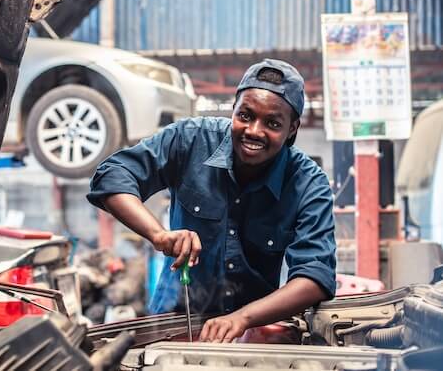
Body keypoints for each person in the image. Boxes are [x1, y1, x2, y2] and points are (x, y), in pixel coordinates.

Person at [87, 58, 336, 343]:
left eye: (272, 123)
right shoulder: (189, 140)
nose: (254, 131)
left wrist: (242, 318)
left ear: (292, 129)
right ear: (233, 110)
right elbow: (111, 175)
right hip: (176, 324)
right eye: (245, 115)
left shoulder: (308, 183)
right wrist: (158, 235)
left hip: (253, 331)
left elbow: (315, 276)